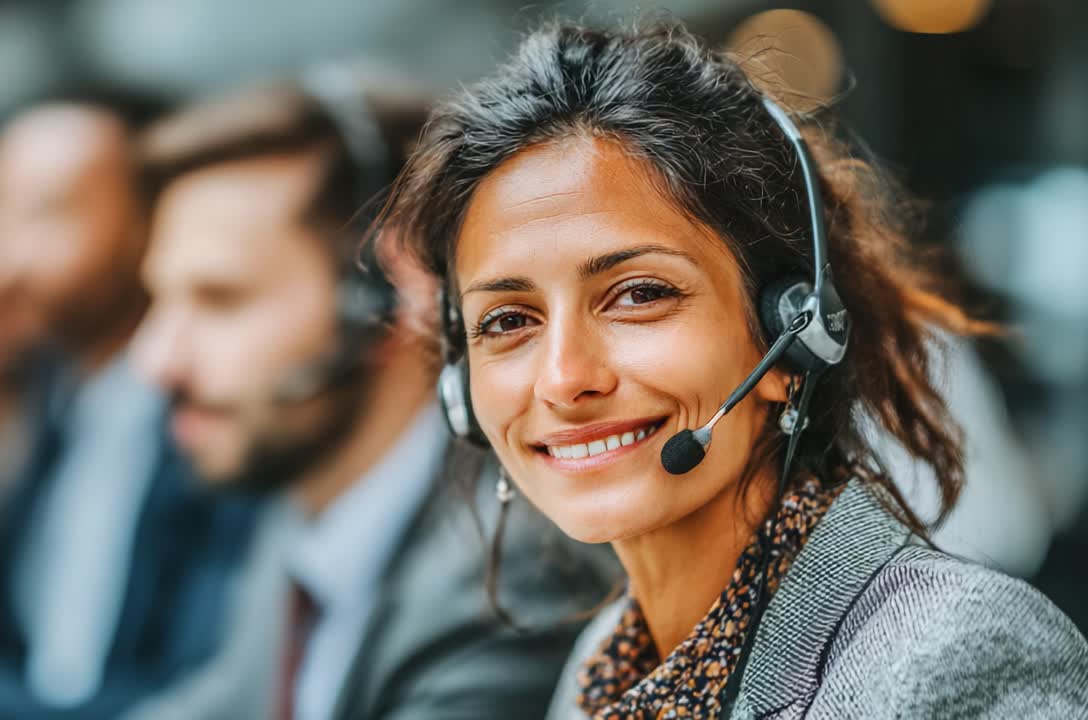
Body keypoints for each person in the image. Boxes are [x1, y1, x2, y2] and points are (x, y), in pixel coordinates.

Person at [378, 20, 1088, 719]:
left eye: (639, 295)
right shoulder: (605, 671)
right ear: (460, 392)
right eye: (507, 321)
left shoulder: (954, 658)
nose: (564, 378)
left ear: (794, 334)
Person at [125, 68, 616, 720]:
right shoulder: (310, 501)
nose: (154, 360)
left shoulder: (517, 578)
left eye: (220, 300)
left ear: (388, 299)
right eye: (159, 299)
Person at [0, 99, 257, 719]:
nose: (1, 259)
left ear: (145, 223)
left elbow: (188, 702)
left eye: (46, 213)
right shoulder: (57, 403)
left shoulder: (218, 421)